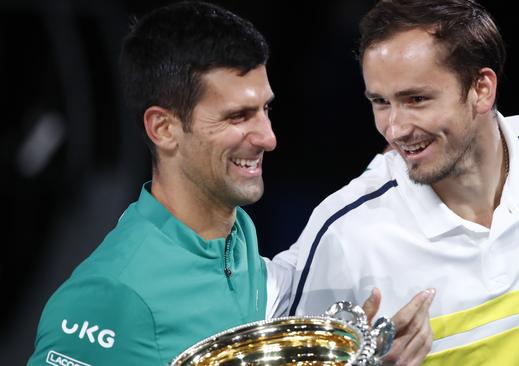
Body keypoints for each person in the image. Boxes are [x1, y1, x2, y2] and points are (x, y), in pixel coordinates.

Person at [27, 2, 432, 365]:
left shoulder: (237, 240)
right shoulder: (112, 295)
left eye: (265, 109)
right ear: (163, 128)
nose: (268, 137)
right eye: (238, 116)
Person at [274, 0, 519, 365]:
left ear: (481, 89)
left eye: (416, 99)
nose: (395, 128)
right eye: (381, 102)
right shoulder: (344, 233)